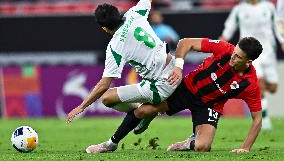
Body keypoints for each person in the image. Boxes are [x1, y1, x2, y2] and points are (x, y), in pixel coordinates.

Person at [66, 0, 179, 153]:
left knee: (107, 98)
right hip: (174, 68)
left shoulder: (115, 46)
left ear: (103, 28)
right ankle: (144, 112)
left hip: (160, 85)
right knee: (140, 108)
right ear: (118, 13)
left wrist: (82, 106)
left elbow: (104, 84)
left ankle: (111, 143)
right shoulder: (134, 14)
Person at [83, 36, 263, 153]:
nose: (233, 57)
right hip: (185, 89)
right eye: (235, 52)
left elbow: (257, 119)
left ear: (248, 62)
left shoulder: (250, 84)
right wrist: (178, 66)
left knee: (203, 147)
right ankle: (111, 143)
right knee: (143, 111)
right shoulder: (225, 49)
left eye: (238, 57)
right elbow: (185, 43)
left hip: (209, 105)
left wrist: (245, 148)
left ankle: (189, 142)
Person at [219, 0, 284, 130]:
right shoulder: (239, 9)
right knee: (259, 83)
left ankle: (247, 90)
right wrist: (220, 44)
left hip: (269, 51)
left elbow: (277, 26)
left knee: (273, 87)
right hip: (251, 53)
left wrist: (282, 41)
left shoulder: (269, 7)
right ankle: (265, 120)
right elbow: (228, 30)